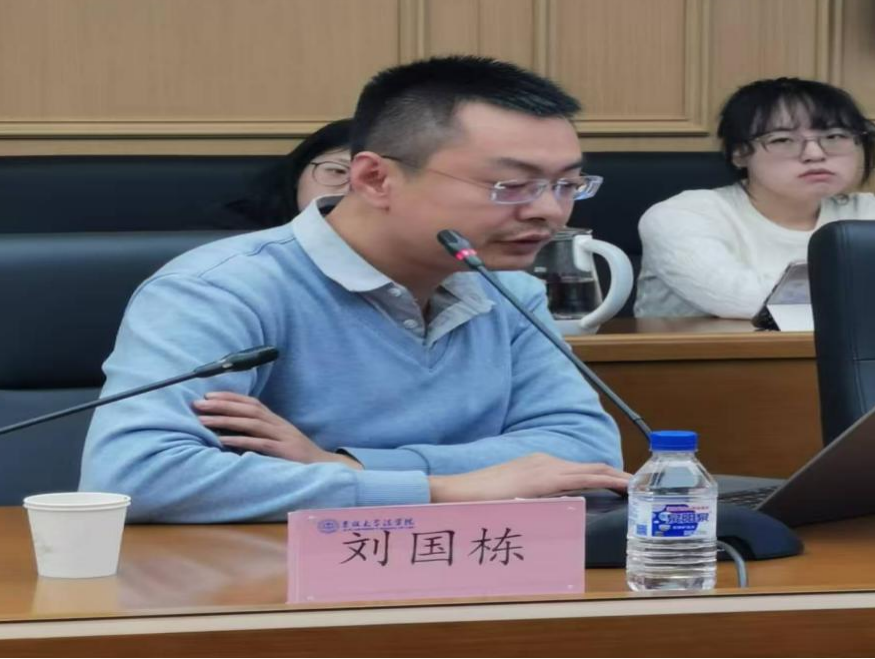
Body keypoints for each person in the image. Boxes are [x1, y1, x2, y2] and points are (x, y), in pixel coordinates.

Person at [80, 55, 627, 522]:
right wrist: (438, 490)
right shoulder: (222, 288)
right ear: (374, 179)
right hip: (267, 586)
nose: (549, 211)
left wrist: (348, 466)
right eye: (512, 185)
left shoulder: (508, 290)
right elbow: (137, 475)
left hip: (474, 573)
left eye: (567, 184)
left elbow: (584, 454)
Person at [635, 77, 875, 319]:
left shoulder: (867, 212)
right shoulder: (681, 216)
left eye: (834, 137)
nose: (815, 154)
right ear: (740, 153)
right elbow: (743, 301)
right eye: (782, 140)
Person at [223, 119, 352, 228]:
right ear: (299, 172)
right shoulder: (232, 230)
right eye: (338, 171)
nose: (348, 190)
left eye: (363, 177)